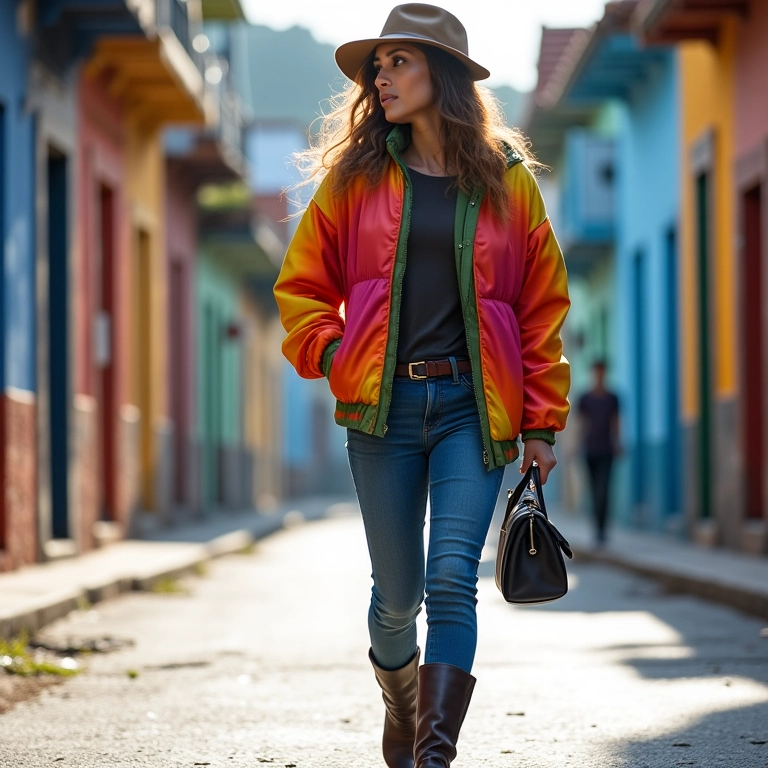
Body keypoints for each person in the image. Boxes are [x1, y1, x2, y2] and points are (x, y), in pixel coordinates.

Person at [273, 4, 570, 765]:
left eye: (398, 60)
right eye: (379, 64)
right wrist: (335, 354)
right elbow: (301, 287)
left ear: (442, 75)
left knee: (450, 580)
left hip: (475, 409)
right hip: (384, 412)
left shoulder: (509, 182)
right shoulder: (356, 179)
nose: (381, 74)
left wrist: (541, 423)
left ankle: (434, 755)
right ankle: (400, 701)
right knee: (395, 598)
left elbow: (540, 309)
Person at [577, 360, 621, 546]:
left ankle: (602, 530)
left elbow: (616, 422)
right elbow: (580, 424)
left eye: (602, 371)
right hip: (590, 449)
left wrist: (618, 443)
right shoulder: (585, 398)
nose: (599, 374)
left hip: (607, 450)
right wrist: (575, 445)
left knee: (604, 490)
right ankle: (596, 528)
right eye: (597, 371)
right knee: (594, 490)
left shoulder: (613, 398)